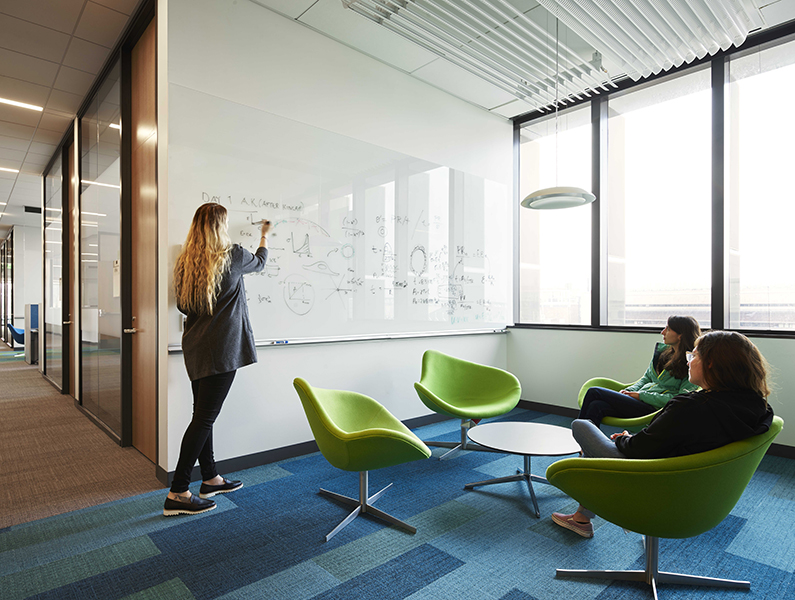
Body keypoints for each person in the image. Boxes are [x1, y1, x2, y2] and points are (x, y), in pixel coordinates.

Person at [553, 330, 774, 538]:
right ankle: (582, 517)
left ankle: (582, 517)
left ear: (711, 363)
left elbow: (638, 450)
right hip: (701, 491)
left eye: (694, 355)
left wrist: (624, 439)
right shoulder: (758, 407)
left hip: (654, 480)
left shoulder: (689, 407)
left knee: (581, 425)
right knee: (600, 407)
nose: (689, 360)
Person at [164, 203, 271, 516]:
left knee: (203, 414)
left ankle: (210, 477)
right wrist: (264, 236)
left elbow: (184, 307)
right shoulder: (234, 255)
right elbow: (261, 263)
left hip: (196, 348)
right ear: (221, 226)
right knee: (204, 418)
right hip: (222, 351)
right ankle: (178, 490)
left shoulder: (185, 262)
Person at [578, 315, 702, 428]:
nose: (662, 332)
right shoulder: (662, 354)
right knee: (596, 406)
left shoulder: (692, 363)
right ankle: (584, 445)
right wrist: (630, 391)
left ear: (680, 335)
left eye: (668, 329)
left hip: (656, 409)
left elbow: (679, 399)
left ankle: (576, 438)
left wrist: (641, 396)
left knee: (594, 391)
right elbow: (646, 379)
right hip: (639, 401)